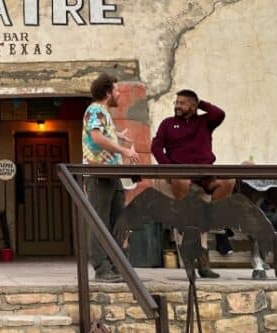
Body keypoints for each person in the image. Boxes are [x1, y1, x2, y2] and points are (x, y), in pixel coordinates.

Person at [150, 89, 231, 278]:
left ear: (193, 106)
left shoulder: (205, 122)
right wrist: (169, 168)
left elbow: (219, 114)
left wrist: (201, 102)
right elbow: (155, 146)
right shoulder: (168, 124)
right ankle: (196, 266)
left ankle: (212, 217)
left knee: (228, 181)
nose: (177, 106)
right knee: (191, 219)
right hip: (180, 178)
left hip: (205, 176)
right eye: (176, 102)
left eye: (182, 103)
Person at [82, 72, 139, 283]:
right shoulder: (95, 109)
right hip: (99, 174)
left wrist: (118, 136)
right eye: (116, 89)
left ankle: (117, 266)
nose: (119, 93)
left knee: (116, 221)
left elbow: (103, 133)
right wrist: (124, 150)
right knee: (100, 221)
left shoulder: (103, 113)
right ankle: (101, 268)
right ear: (108, 92)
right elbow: (96, 137)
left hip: (111, 174)